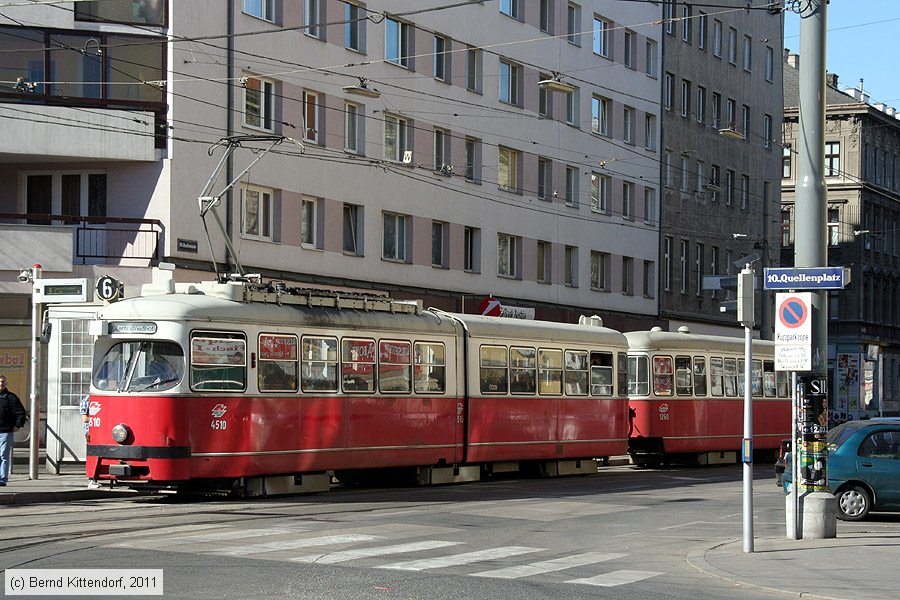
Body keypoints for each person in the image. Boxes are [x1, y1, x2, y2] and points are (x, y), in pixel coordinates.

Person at [0, 374, 27, 486]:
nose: (1, 384)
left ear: (6, 384)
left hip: (5, 431)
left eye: (2, 382)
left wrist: (18, 425)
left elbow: (21, 412)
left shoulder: (11, 398)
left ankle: (2, 479)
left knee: (3, 456)